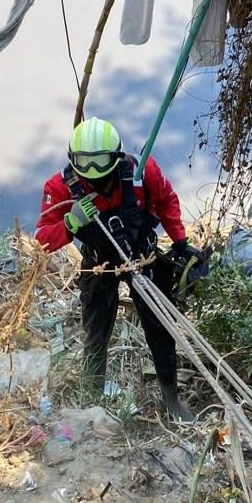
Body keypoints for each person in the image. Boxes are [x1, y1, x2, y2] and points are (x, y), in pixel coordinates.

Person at [35, 117, 204, 421]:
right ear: (73, 161)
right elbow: (42, 241)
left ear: (117, 159)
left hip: (142, 258)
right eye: (85, 167)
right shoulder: (61, 188)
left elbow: (166, 201)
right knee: (96, 331)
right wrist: (70, 222)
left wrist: (180, 242)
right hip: (99, 264)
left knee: (160, 327)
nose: (95, 176)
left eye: (102, 165)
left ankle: (171, 398)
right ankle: (92, 395)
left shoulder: (142, 173)